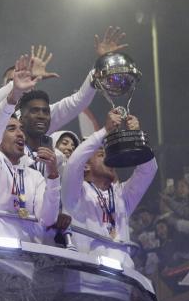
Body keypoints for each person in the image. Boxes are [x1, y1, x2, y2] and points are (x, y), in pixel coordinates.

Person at [0, 28, 128, 141]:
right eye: (12, 81)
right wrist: (14, 88)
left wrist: (103, 63)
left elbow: (78, 101)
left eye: (24, 80)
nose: (20, 84)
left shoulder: (38, 116)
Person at [0, 55, 61, 243]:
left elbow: (48, 219)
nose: (20, 134)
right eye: (11, 129)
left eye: (21, 129)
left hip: (24, 262)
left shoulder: (35, 176)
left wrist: (53, 176)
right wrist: (14, 92)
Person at [61, 109, 158, 268]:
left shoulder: (121, 195)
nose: (109, 158)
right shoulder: (75, 194)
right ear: (85, 166)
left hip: (122, 283)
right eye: (101, 155)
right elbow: (74, 162)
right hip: (87, 283)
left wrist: (137, 140)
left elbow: (148, 170)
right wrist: (106, 130)